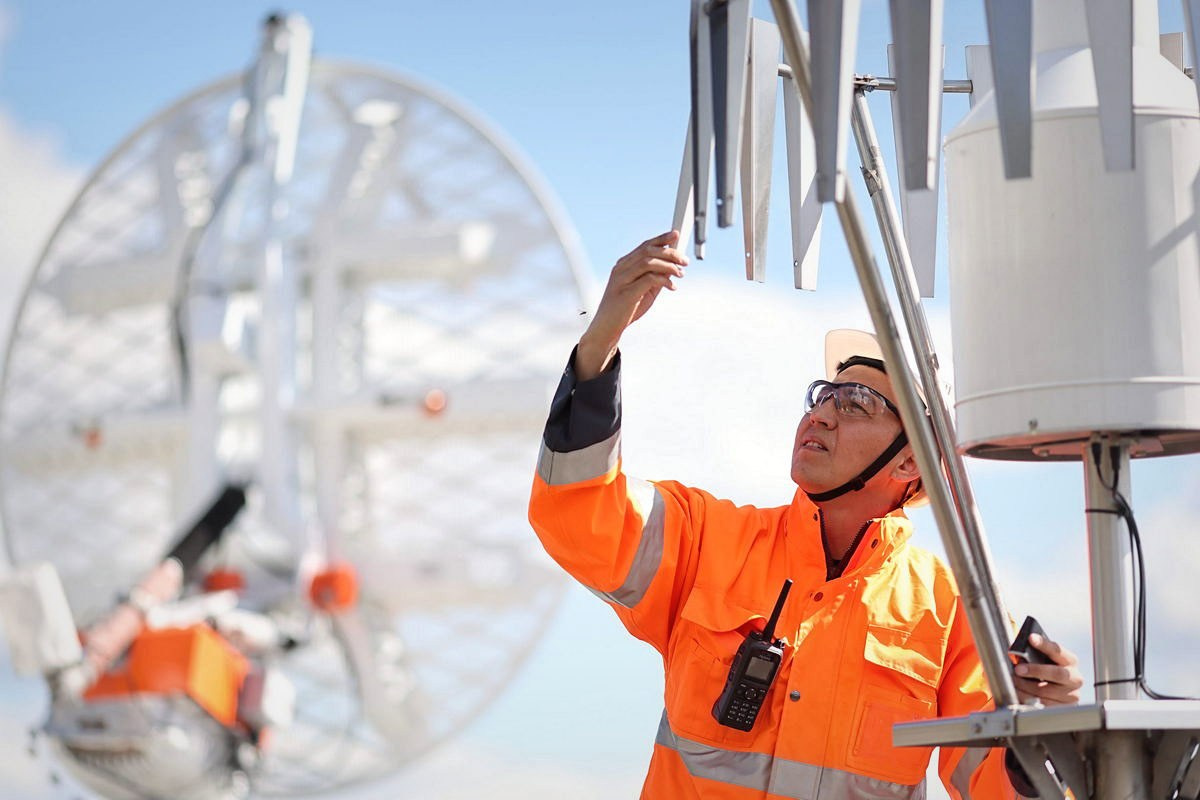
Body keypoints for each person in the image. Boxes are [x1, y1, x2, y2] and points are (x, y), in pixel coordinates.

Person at [528, 231, 1083, 799]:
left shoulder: (951, 609)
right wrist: (601, 341)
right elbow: (576, 512)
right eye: (822, 395)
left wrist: (1045, 729)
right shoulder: (707, 539)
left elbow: (993, 787)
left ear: (910, 462)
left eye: (856, 404)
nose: (821, 414)